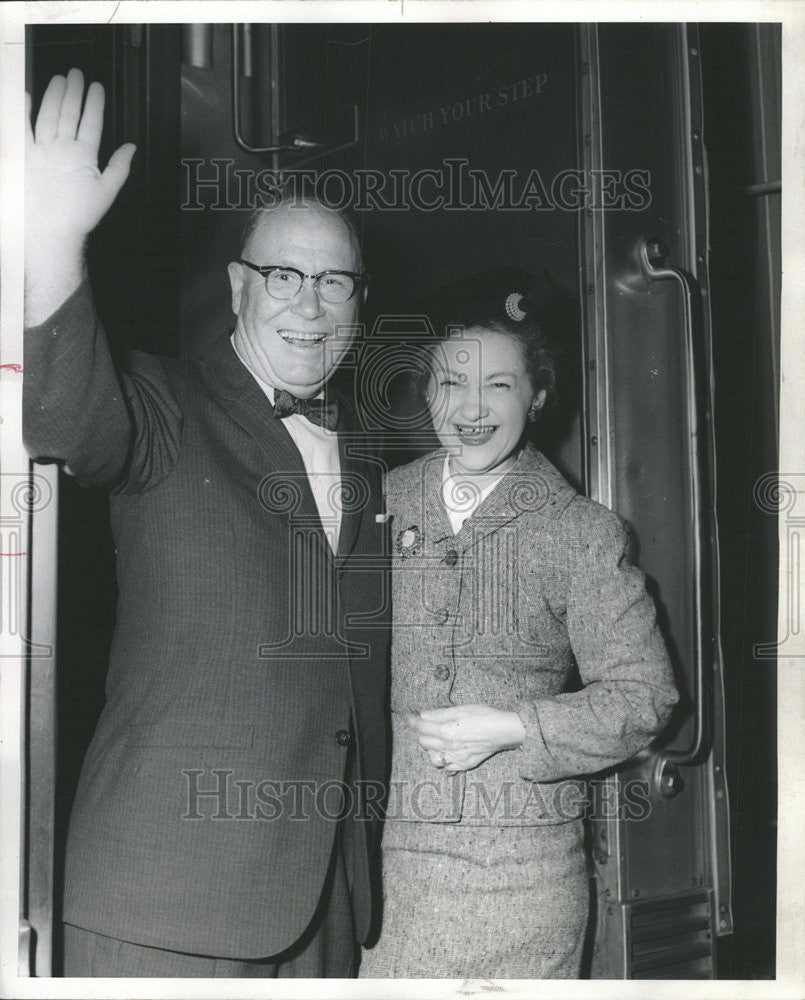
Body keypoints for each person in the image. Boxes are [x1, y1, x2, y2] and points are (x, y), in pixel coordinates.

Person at [24, 69, 389, 978]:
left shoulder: (373, 459)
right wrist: (53, 245)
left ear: (359, 304)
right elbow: (66, 419)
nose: (309, 305)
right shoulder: (162, 400)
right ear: (236, 286)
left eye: (335, 283)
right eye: (283, 276)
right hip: (166, 902)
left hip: (324, 908)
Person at [359, 268, 679, 978]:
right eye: (451, 383)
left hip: (521, 885)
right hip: (382, 878)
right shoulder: (377, 503)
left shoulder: (581, 531)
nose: (471, 409)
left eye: (498, 385)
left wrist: (514, 727)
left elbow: (643, 698)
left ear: (536, 396)